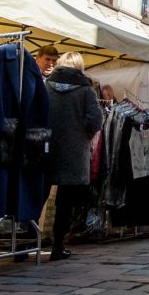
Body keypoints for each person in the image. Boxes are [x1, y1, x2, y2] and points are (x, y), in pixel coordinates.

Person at [45, 52, 103, 261]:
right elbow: (96, 120)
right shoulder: (86, 90)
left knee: (38, 194)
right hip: (74, 149)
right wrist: (82, 136)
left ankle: (27, 243)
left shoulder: (46, 85)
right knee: (65, 202)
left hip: (45, 147)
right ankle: (57, 245)